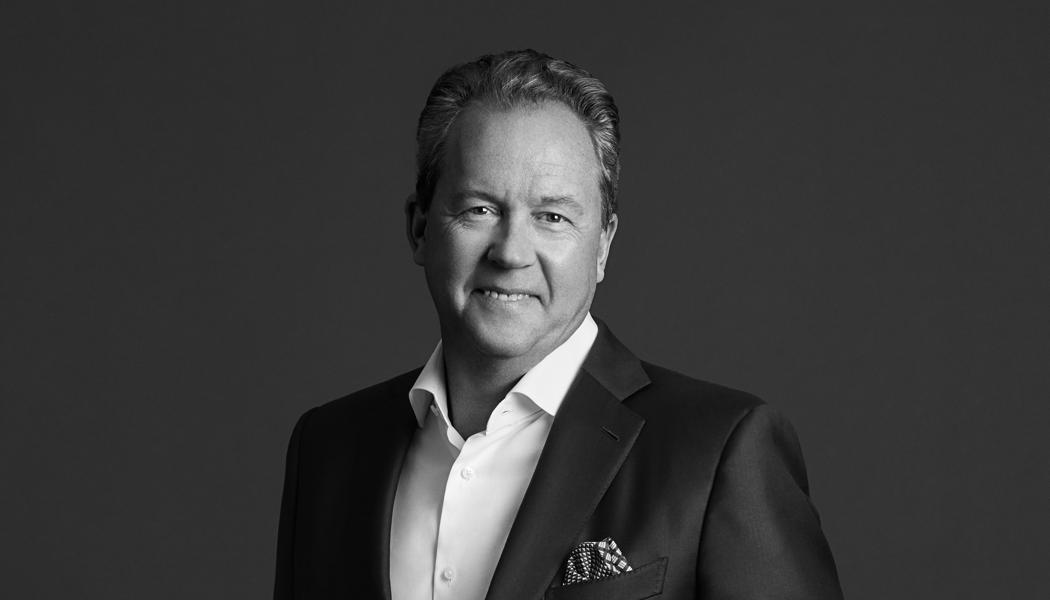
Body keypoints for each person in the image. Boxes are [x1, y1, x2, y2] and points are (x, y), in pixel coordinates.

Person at [274, 49, 843, 600]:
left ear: (603, 244)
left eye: (552, 216)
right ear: (419, 229)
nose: (511, 252)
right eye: (479, 209)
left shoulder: (719, 450)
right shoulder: (328, 449)